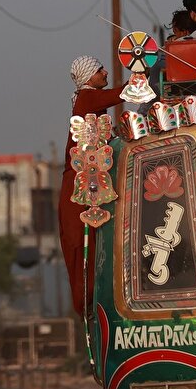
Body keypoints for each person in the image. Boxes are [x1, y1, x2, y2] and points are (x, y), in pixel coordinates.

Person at [59, 56, 123, 315]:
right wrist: (143, 69)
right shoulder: (87, 98)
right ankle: (87, 300)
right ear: (88, 78)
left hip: (89, 181)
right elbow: (125, 92)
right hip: (80, 184)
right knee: (83, 242)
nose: (105, 72)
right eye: (99, 70)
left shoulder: (88, 100)